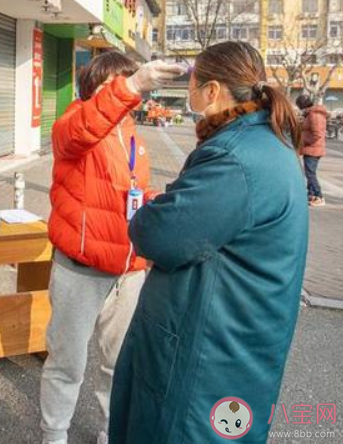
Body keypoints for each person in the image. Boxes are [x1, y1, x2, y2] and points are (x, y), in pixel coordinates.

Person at [110, 41, 309, 443]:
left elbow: (160, 235)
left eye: (194, 82)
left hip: (207, 357)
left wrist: (152, 211)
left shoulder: (236, 158)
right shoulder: (265, 144)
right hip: (235, 343)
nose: (189, 91)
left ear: (213, 90)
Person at [41, 53, 184, 444]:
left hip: (128, 270)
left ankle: (111, 430)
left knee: (118, 364)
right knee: (67, 362)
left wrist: (155, 203)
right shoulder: (73, 124)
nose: (121, 93)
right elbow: (84, 129)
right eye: (113, 85)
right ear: (92, 89)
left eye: (127, 83)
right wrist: (133, 85)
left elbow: (127, 196)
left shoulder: (131, 133)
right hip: (80, 270)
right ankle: (54, 436)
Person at [297, 94, 329, 206]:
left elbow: (317, 134)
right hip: (311, 148)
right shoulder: (310, 114)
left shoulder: (314, 115)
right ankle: (311, 195)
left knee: (310, 174)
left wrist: (304, 141)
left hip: (313, 149)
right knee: (309, 173)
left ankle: (319, 196)